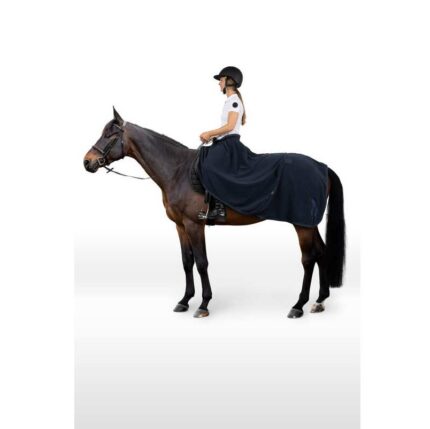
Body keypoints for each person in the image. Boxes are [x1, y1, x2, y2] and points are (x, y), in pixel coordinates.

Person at [197, 66, 246, 222]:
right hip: (224, 141)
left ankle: (219, 208)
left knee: (209, 166)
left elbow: (230, 126)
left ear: (229, 81)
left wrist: (210, 133)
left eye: (221, 80)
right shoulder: (230, 101)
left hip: (230, 144)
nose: (219, 83)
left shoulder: (234, 102)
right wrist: (213, 137)